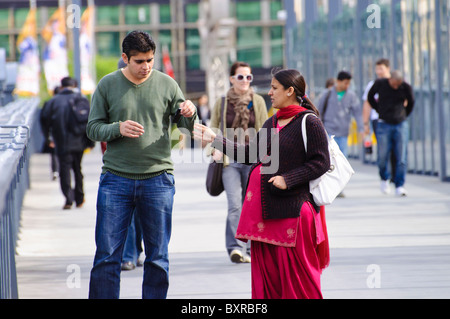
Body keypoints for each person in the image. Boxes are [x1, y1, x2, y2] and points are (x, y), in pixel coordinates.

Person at [194, 69, 330, 299]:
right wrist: (215, 139)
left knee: (299, 283)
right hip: (265, 215)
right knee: (270, 285)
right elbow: (251, 154)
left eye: (274, 88)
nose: (269, 92)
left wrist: (289, 179)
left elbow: (321, 162)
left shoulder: (310, 122)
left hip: (294, 214)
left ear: (290, 91)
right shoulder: (272, 122)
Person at [87, 30, 198, 299]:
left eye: (150, 60)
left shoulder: (167, 84)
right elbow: (92, 129)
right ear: (125, 58)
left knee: (158, 256)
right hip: (115, 179)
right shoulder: (107, 85)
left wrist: (189, 112)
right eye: (139, 61)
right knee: (106, 256)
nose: (146, 67)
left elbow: (184, 126)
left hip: (158, 179)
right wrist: (117, 128)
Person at [209, 61, 268, 263]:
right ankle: (236, 247)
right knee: (235, 204)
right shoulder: (223, 102)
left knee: (250, 204)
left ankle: (252, 247)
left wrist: (267, 157)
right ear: (232, 78)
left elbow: (263, 128)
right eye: (240, 77)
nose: (245, 81)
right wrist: (215, 149)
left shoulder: (257, 101)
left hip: (252, 159)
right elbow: (214, 126)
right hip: (230, 160)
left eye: (248, 77)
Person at [41, 77, 91, 210]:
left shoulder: (53, 101)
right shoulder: (82, 99)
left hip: (61, 141)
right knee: (77, 169)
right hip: (79, 141)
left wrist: (48, 139)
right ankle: (79, 198)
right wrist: (90, 142)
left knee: (64, 169)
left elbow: (44, 121)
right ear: (74, 85)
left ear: (61, 87)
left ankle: (68, 199)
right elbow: (90, 120)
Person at [367, 70, 415, 197]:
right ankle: (384, 178)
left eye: (398, 84)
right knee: (382, 155)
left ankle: (399, 185)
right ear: (390, 79)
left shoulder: (405, 87)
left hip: (400, 123)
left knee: (401, 156)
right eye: (394, 84)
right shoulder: (380, 83)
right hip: (384, 123)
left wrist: (404, 114)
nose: (396, 86)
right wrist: (379, 110)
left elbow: (411, 102)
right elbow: (370, 97)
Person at [317, 71, 364, 158]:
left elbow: (357, 113)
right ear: (338, 81)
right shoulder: (327, 93)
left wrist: (361, 128)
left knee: (342, 160)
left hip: (343, 133)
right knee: (330, 159)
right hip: (328, 132)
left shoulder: (351, 95)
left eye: (349, 83)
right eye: (345, 83)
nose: (347, 85)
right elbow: (319, 111)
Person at [40, 86, 62, 181]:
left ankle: (55, 171)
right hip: (64, 133)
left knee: (53, 153)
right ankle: (62, 170)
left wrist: (47, 136)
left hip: (53, 132)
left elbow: (43, 120)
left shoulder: (48, 104)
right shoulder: (65, 103)